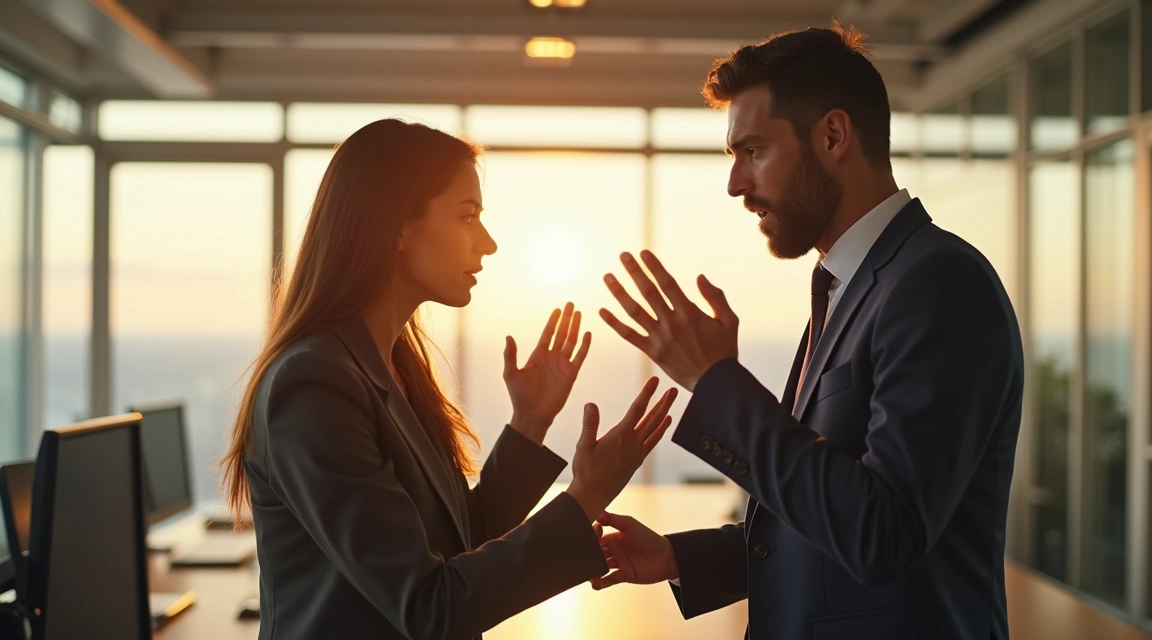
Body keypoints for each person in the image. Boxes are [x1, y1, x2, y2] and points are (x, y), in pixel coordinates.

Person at [590, 22, 1024, 640]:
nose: (736, 184)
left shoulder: (939, 283)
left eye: (753, 150)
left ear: (833, 136)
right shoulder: (849, 285)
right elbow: (831, 510)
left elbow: (884, 533)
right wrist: (681, 558)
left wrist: (718, 384)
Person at [218, 119, 677, 640]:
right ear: (397, 227)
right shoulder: (313, 385)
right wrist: (584, 497)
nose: (488, 243)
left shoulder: (392, 368)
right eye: (467, 216)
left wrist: (528, 422)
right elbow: (429, 606)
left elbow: (460, 541)